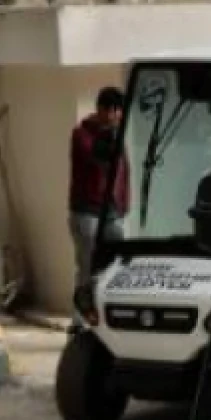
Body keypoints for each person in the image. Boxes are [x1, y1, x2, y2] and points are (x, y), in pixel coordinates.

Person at [69, 87, 130, 293]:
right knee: (88, 267)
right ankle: (81, 320)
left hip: (112, 212)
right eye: (115, 110)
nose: (118, 116)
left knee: (117, 265)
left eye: (120, 111)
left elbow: (124, 170)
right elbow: (98, 158)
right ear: (105, 110)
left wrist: (124, 203)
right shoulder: (82, 134)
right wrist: (109, 133)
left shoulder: (117, 135)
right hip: (88, 211)